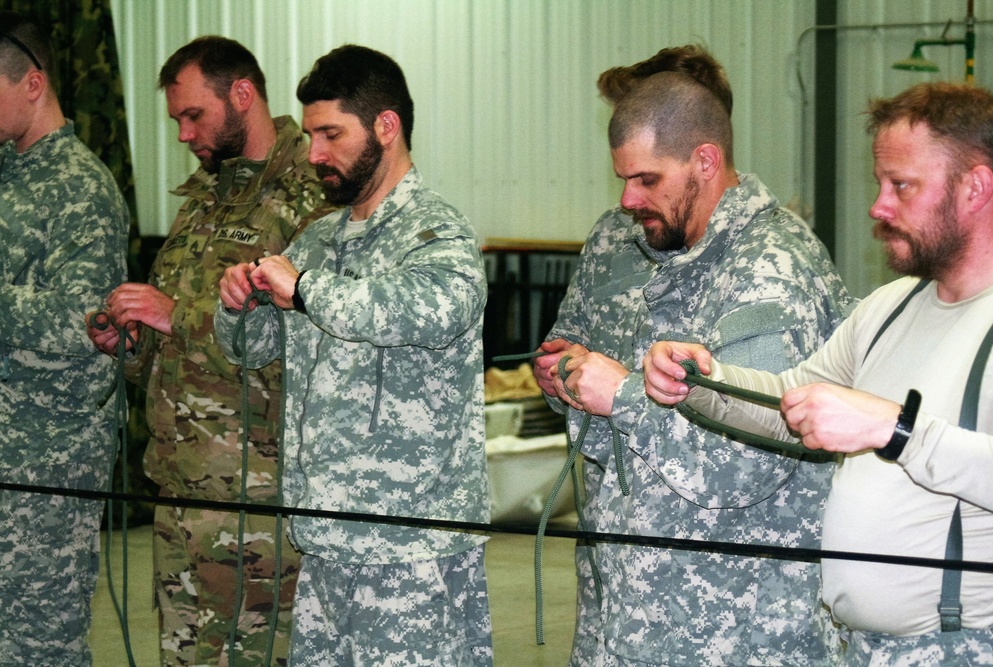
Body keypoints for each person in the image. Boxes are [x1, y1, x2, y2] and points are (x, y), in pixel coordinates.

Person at [644, 81, 993, 666]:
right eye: (880, 183)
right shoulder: (889, 308)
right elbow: (793, 399)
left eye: (902, 186)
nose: (878, 206)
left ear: (975, 188)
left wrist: (897, 430)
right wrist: (699, 381)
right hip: (858, 649)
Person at [536, 66, 855, 665]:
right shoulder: (669, 245)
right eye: (624, 180)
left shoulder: (768, 270)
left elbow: (752, 456)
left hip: (739, 627)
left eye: (646, 179)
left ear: (706, 162)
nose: (628, 200)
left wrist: (624, 396)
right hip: (644, 606)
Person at [215, 44, 492, 666]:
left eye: (331, 134)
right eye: (310, 134)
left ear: (386, 128)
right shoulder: (317, 238)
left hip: (409, 547)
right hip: (325, 539)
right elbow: (252, 350)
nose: (314, 154)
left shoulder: (437, 230)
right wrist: (240, 305)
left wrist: (306, 289)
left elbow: (431, 309)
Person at [86, 36, 332, 666]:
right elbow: (178, 344)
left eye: (193, 115)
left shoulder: (311, 197)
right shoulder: (203, 200)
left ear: (242, 95)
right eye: (176, 120)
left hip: (256, 495)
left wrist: (175, 316)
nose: (183, 134)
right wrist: (132, 343)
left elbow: (311, 342)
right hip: (178, 484)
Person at [533, 45, 735, 666]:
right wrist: (559, 372)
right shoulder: (613, 236)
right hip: (612, 536)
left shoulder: (754, 261)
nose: (632, 194)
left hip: (702, 564)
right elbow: (568, 341)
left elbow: (748, 431)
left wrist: (621, 392)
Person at [0, 12, 128, 665]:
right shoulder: (3, 171)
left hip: (46, 466)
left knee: (37, 646)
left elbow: (85, 323)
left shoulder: (82, 187)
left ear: (33, 83)